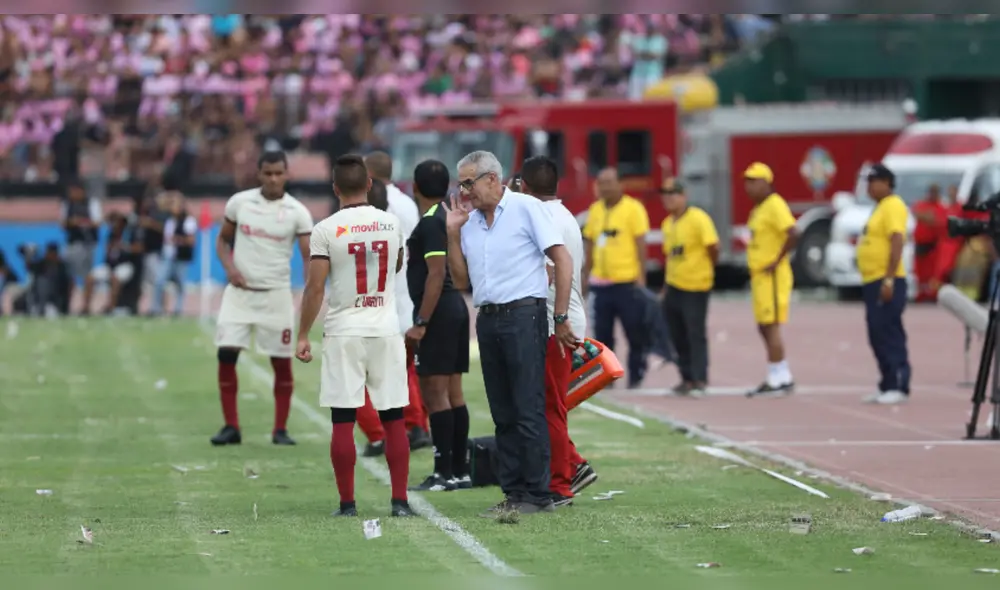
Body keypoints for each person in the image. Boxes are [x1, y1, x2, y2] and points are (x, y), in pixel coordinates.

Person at [443, 150, 577, 516]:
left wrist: (561, 315)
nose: (464, 192)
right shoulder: (467, 223)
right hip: (487, 318)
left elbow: (562, 260)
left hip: (523, 315)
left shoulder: (526, 208)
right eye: (461, 184)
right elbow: (460, 280)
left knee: (527, 406)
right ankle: (514, 491)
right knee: (502, 409)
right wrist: (452, 234)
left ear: (492, 179)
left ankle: (537, 493)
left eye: (469, 183)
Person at [296, 154, 416, 518]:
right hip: (384, 327)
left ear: (335, 189)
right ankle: (400, 502)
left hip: (345, 329)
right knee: (394, 417)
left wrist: (303, 334)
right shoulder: (391, 223)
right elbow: (395, 266)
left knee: (343, 419)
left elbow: (315, 288)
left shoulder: (326, 229)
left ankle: (348, 504)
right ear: (368, 184)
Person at [210, 151, 313, 447]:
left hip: (275, 296)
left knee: (280, 363)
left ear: (287, 174)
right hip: (240, 296)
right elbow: (222, 240)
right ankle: (231, 427)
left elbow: (309, 256)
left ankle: (280, 429)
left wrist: (309, 288)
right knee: (226, 355)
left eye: (278, 173)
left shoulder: (297, 211)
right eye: (267, 173)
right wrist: (229, 269)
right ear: (258, 174)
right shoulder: (240, 203)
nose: (273, 179)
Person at [519, 155, 598, 505]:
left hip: (556, 321)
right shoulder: (563, 214)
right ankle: (572, 464)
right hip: (561, 318)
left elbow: (549, 272)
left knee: (550, 406)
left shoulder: (544, 218)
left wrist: (559, 317)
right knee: (545, 404)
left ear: (523, 186)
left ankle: (562, 483)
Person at [404, 159, 472, 492]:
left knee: (435, 394)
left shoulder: (432, 222)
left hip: (439, 313)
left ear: (414, 187)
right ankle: (459, 470)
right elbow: (457, 277)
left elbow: (435, 275)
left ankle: (443, 471)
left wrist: (421, 322)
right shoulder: (445, 220)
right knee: (454, 393)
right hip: (454, 308)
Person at [364, 151, 432, 450]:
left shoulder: (372, 205)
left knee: (369, 371)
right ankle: (416, 425)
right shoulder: (407, 203)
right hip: (408, 296)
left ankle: (383, 433)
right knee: (405, 369)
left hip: (383, 296)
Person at [581, 167, 650, 388]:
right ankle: (607, 377)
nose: (605, 187)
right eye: (601, 183)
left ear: (621, 184)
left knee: (634, 331)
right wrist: (585, 275)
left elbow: (641, 245)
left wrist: (642, 277)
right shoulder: (595, 210)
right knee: (602, 335)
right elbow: (590, 244)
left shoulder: (633, 209)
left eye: (609, 182)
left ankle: (636, 375)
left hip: (627, 283)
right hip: (601, 284)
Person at [856, 163, 911, 405]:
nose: (870, 186)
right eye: (868, 182)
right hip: (871, 279)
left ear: (887, 182)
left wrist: (888, 278)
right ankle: (887, 382)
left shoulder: (893, 205)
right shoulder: (879, 208)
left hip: (887, 279)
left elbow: (896, 240)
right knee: (875, 332)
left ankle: (899, 383)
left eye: (874, 181)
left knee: (888, 331)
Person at [660, 178, 719, 396]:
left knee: (695, 332)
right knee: (677, 333)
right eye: (665, 193)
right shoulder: (668, 224)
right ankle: (686, 377)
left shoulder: (698, 219)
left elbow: (713, 247)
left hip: (696, 285)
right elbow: (670, 258)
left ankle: (700, 377)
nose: (669, 197)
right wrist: (665, 287)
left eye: (673, 193)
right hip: (675, 285)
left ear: (684, 195)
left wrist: (705, 269)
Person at [743, 162, 798, 397]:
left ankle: (778, 379)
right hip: (759, 276)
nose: (749, 186)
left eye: (754, 181)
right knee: (763, 326)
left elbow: (793, 232)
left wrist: (777, 260)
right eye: (747, 181)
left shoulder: (775, 205)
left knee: (772, 325)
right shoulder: (758, 209)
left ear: (766, 182)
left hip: (772, 276)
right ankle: (780, 374)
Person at [81, 211, 142, 315]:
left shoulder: (129, 234)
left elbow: (139, 248)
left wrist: (124, 247)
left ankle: (111, 308)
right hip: (110, 265)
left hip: (125, 264)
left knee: (115, 278)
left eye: (116, 222)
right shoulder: (110, 235)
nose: (113, 225)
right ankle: (86, 308)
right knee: (90, 277)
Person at [151, 193, 197, 317]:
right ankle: (156, 308)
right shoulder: (169, 220)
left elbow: (191, 240)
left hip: (180, 257)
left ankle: (178, 309)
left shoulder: (188, 221)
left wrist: (176, 239)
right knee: (159, 281)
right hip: (167, 256)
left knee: (180, 285)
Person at [60, 179, 100, 312]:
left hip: (87, 244)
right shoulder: (67, 205)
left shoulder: (92, 204)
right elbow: (63, 223)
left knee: (87, 275)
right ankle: (66, 305)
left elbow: (97, 222)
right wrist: (72, 223)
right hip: (72, 243)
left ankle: (86, 306)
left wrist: (82, 222)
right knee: (68, 275)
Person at [911, 184, 947, 302]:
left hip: (932, 245)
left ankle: (931, 294)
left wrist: (926, 217)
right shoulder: (921, 204)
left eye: (934, 192)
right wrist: (927, 217)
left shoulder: (940, 207)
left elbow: (936, 221)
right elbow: (916, 213)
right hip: (919, 244)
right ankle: (921, 294)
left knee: (932, 272)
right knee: (919, 272)